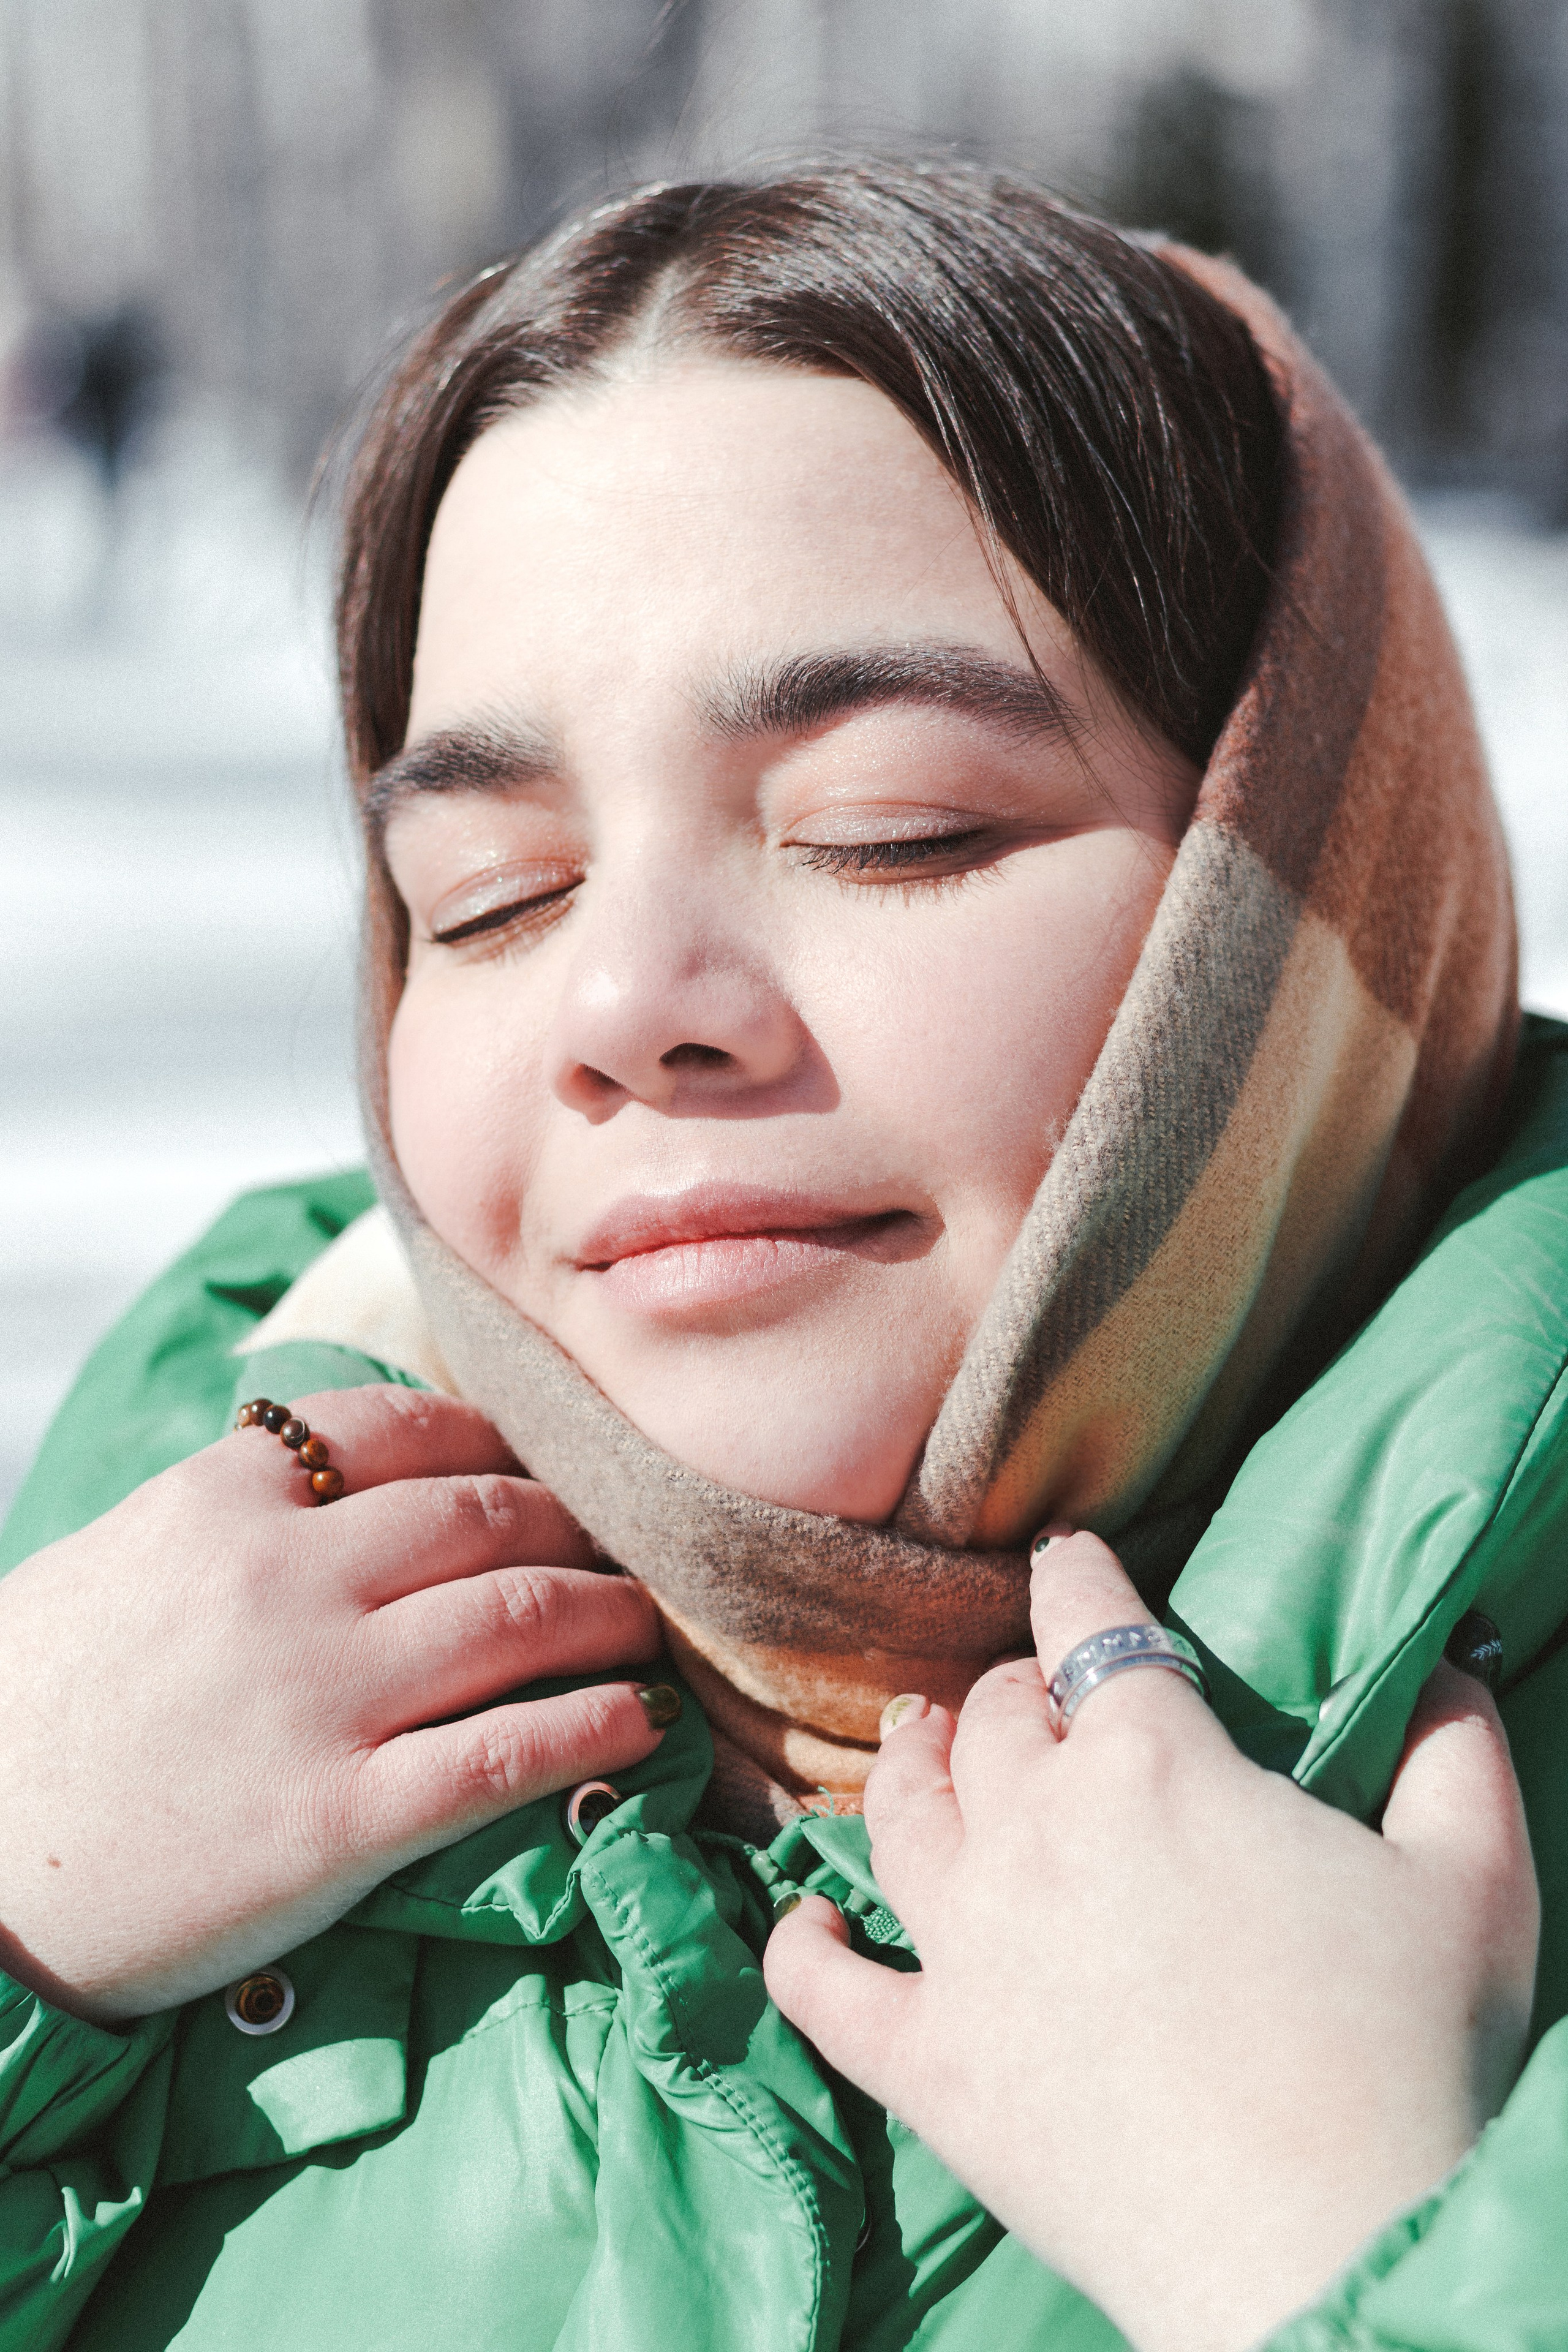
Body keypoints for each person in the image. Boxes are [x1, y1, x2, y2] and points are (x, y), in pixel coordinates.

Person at [0, 160, 1559, 2351]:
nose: (629, 1003)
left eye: (887, 829)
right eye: (488, 896)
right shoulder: (194, 1501)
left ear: (1316, 899)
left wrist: (1337, 2248)